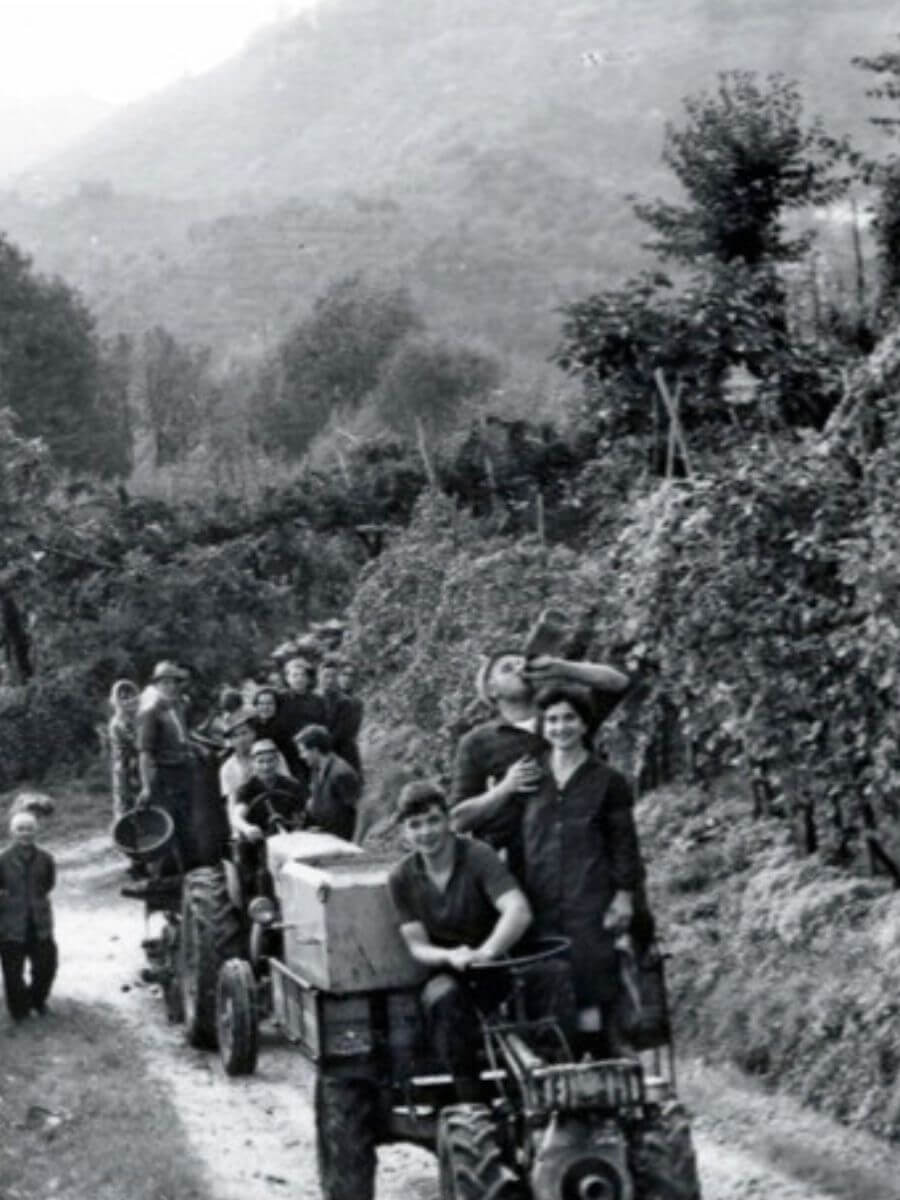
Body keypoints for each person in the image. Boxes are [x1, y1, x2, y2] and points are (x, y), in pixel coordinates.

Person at [521, 683, 653, 1057]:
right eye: (552, 720)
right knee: (548, 986)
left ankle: (596, 1059)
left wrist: (624, 897)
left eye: (568, 719)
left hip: (591, 903)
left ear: (583, 725)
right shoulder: (531, 779)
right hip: (541, 904)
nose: (560, 728)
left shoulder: (607, 781)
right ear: (543, 726)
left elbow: (624, 844)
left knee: (592, 986)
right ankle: (557, 1066)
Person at [387, 781, 532, 1100]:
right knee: (445, 999)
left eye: (433, 820)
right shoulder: (401, 877)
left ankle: (530, 1099)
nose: (426, 832)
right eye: (415, 825)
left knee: (543, 992)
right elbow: (417, 945)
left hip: (495, 965)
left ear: (449, 821)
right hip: (447, 970)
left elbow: (517, 910)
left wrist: (488, 951)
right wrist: (451, 957)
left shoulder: (478, 856)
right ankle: (471, 1101)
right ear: (404, 833)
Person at [450, 648, 629, 872]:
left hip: (586, 855)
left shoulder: (565, 718)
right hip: (519, 867)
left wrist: (561, 667)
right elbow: (458, 820)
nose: (519, 669)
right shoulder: (477, 742)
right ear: (492, 690)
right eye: (508, 668)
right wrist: (505, 788)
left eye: (521, 663)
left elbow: (618, 682)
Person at [0, 809, 58, 1027]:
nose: (25, 833)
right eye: (20, 829)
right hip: (10, 924)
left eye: (30, 829)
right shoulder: (2, 859)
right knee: (13, 973)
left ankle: (37, 1000)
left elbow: (49, 884)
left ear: (37, 831)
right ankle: (19, 1012)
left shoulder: (46, 858)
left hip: (39, 922)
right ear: (12, 832)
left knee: (46, 967)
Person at [136, 660, 196, 867]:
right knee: (168, 826)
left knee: (187, 823)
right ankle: (165, 876)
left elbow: (184, 737)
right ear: (157, 685)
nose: (170, 687)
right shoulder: (150, 713)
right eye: (165, 683)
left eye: (174, 683)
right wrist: (146, 786)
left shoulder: (179, 707)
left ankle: (190, 870)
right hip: (165, 775)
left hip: (184, 772)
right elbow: (145, 753)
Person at [219, 708, 288, 827]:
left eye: (244, 733)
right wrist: (238, 829)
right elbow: (232, 802)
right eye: (235, 736)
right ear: (231, 741)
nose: (241, 739)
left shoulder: (273, 755)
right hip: (249, 822)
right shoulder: (228, 768)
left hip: (280, 814)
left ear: (253, 734)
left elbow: (287, 785)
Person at [231, 739, 307, 843]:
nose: (266, 767)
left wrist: (297, 826)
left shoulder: (292, 786)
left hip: (290, 840)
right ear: (253, 763)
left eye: (270, 760)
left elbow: (303, 814)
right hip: (258, 843)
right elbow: (237, 816)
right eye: (261, 761)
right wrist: (247, 828)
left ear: (277, 761)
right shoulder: (246, 789)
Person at [294, 724, 361, 842]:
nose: (301, 756)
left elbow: (355, 815)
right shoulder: (316, 769)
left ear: (314, 750)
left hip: (340, 842)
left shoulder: (341, 773)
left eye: (303, 751)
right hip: (324, 835)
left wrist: (325, 833)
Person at [272, 656, 328, 779]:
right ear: (287, 679)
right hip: (287, 752)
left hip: (312, 752)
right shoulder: (280, 699)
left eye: (302, 675)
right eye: (294, 675)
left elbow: (324, 726)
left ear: (308, 679)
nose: (299, 679)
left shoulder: (318, 700)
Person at [317, 654, 362, 774]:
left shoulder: (347, 702)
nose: (330, 680)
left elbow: (345, 732)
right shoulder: (312, 699)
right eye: (326, 676)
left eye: (333, 676)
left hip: (342, 753)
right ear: (319, 677)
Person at [108, 679, 141, 822]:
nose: (128, 701)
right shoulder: (118, 723)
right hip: (125, 766)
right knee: (125, 804)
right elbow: (136, 744)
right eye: (123, 698)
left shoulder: (138, 717)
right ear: (116, 701)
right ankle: (123, 835)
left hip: (139, 764)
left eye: (131, 696)